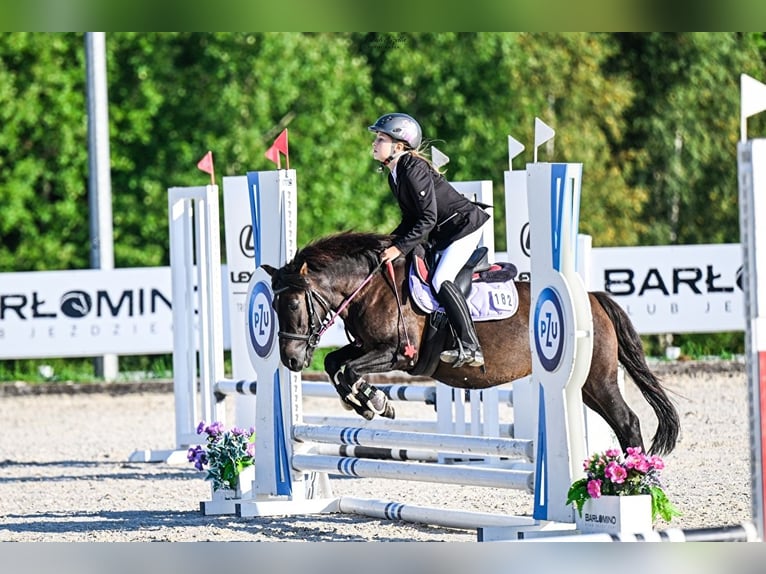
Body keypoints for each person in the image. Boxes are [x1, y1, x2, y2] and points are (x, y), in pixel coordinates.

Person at [369, 113, 490, 368]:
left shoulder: (412, 168)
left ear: (398, 146)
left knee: (440, 278)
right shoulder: (395, 173)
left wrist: (399, 247)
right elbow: (409, 219)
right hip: (446, 233)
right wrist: (387, 244)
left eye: (381, 139)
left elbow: (427, 218)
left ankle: (471, 345)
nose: (374, 143)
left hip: (464, 227)